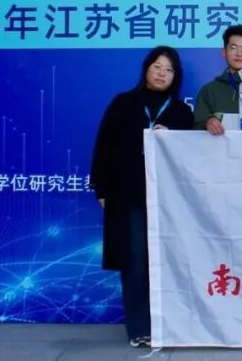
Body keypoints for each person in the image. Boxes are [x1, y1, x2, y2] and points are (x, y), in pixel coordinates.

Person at [90, 46, 194, 348]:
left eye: (169, 70)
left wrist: (170, 135)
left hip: (169, 199)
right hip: (129, 195)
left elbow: (192, 155)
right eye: (157, 67)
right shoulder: (123, 103)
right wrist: (101, 188)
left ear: (176, 77)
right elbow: (104, 145)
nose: (162, 73)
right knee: (135, 260)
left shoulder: (181, 112)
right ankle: (140, 328)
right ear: (146, 69)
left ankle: (170, 325)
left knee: (169, 261)